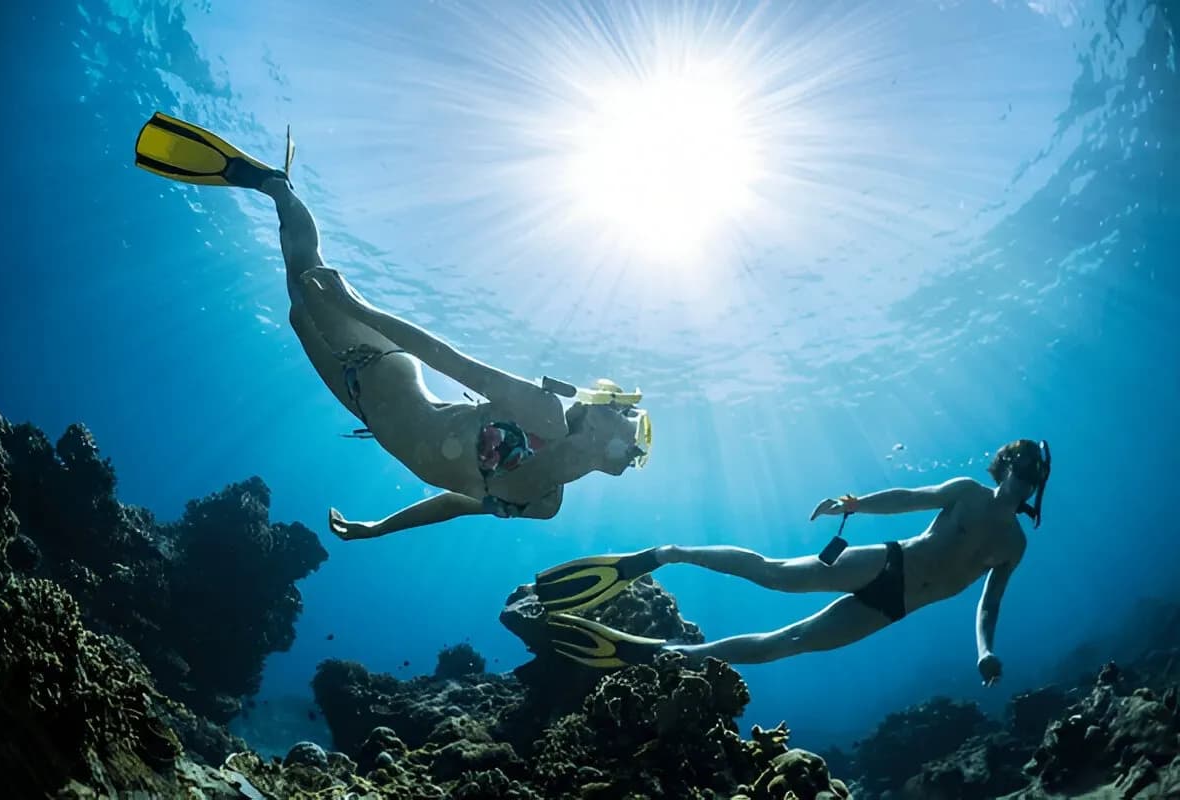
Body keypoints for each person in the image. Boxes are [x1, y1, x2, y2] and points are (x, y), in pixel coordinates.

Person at [134, 112, 651, 538]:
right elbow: (447, 359)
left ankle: (280, 194)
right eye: (634, 427)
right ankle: (276, 187)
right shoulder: (544, 414)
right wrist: (359, 311)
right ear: (600, 411)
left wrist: (377, 528)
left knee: (297, 310)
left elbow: (453, 504)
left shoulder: (545, 504)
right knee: (307, 281)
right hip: (384, 372)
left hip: (364, 407)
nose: (637, 448)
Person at [535, 439, 1051, 686]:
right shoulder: (967, 493)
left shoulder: (1014, 547)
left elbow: (989, 606)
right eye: (1022, 468)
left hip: (897, 606)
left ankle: (668, 654)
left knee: (786, 646)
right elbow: (909, 497)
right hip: (886, 565)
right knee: (775, 575)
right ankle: (669, 553)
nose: (1026, 480)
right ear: (1006, 465)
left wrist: (985, 651)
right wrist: (856, 504)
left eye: (1036, 476)